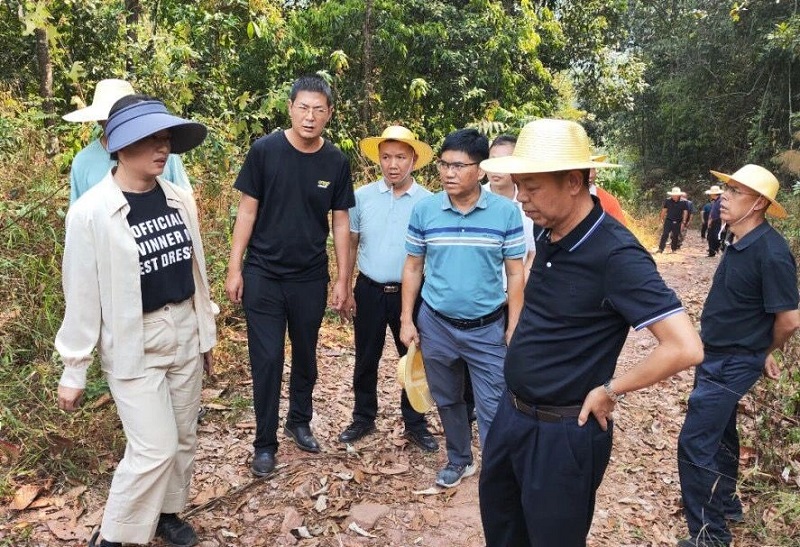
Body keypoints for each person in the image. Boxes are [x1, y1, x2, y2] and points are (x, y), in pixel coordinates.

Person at [477, 119, 703, 547]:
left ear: (575, 181)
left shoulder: (617, 255)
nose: (521, 198)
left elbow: (685, 346)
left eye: (533, 187)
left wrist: (611, 389)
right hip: (512, 416)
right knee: (503, 530)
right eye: (519, 185)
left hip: (562, 434)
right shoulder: (548, 230)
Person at [55, 96, 216, 547]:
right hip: (134, 339)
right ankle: (113, 536)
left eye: (165, 139)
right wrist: (75, 369)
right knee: (153, 447)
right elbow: (82, 293)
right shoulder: (90, 213)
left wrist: (205, 333)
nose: (161, 148)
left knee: (183, 438)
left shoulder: (180, 199)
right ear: (117, 145)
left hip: (183, 327)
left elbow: (195, 271)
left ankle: (167, 513)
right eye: (148, 139)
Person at [225, 75, 354, 477]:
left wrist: (342, 278)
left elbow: (341, 222)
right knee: (266, 359)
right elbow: (247, 210)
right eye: (303, 107)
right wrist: (235, 267)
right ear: (291, 108)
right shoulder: (264, 151)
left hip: (309, 276)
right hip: (263, 274)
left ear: (329, 114)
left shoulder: (335, 161)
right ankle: (264, 444)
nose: (310, 116)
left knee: (305, 354)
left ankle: (299, 420)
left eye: (319, 109)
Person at [677, 164, 800, 547]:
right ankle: (727, 504)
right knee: (723, 435)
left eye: (736, 192)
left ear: (759, 203)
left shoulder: (772, 252)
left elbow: (790, 319)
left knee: (694, 443)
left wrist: (762, 351)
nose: (725, 198)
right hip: (714, 355)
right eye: (727, 189)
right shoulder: (738, 239)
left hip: (731, 362)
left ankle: (709, 535)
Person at [400, 128, 526, 488]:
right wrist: (407, 318)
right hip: (436, 324)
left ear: (481, 170)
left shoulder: (505, 214)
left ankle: (497, 471)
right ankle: (459, 459)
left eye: (459, 165)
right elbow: (412, 266)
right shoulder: (426, 210)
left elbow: (515, 273)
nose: (448, 173)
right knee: (448, 399)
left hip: (487, 327)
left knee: (492, 402)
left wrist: (513, 323)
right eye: (443, 165)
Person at [337, 125, 438, 452]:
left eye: (400, 157)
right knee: (365, 356)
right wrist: (346, 285)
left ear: (413, 160)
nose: (392, 164)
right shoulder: (363, 196)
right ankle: (363, 417)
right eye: (386, 157)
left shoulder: (428, 202)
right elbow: (351, 243)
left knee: (413, 357)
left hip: (411, 295)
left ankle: (415, 422)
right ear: (378, 159)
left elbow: (432, 255)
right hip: (369, 289)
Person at [63, 79, 191, 204]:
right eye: (111, 119)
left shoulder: (164, 153)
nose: (119, 125)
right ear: (99, 121)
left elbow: (184, 199)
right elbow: (79, 213)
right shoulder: (84, 161)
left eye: (124, 118)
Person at [589, 154, 627, 226]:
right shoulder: (564, 200)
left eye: (593, 168)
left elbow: (620, 234)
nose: (590, 175)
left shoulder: (609, 202)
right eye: (586, 170)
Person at [657, 186, 689, 253]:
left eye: (675, 195)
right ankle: (660, 249)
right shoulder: (668, 200)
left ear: (678, 195)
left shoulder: (684, 202)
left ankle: (673, 249)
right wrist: (661, 219)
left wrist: (684, 222)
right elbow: (664, 210)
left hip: (678, 221)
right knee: (665, 234)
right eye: (672, 195)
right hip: (668, 220)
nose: (673, 196)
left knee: (675, 235)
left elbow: (685, 212)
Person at [705, 185, 724, 257]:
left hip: (718, 221)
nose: (710, 195)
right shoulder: (715, 201)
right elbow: (713, 212)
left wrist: (723, 224)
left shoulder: (720, 201)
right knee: (710, 237)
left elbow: (722, 212)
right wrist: (710, 221)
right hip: (714, 221)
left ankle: (720, 250)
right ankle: (711, 252)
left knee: (717, 237)